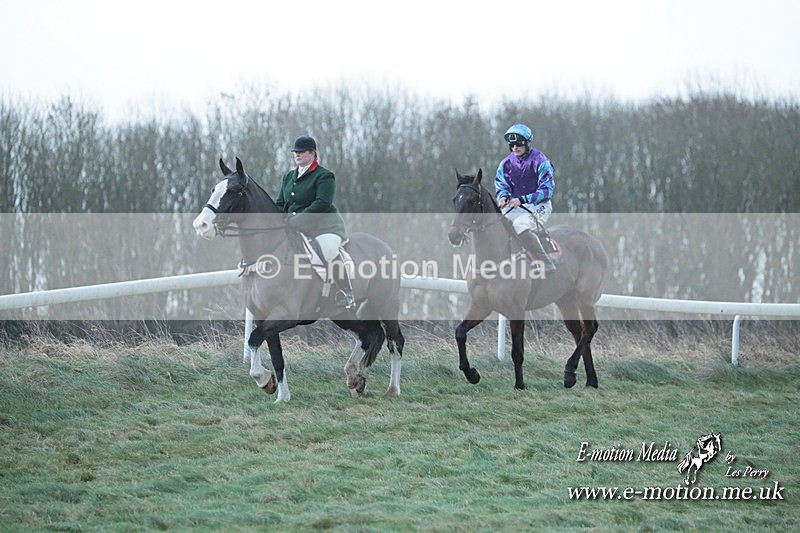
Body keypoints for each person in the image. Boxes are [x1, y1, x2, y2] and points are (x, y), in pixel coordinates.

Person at [275, 134, 355, 309]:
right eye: (295, 152)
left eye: (302, 152)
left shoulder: (325, 176)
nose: (297, 155)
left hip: (324, 225)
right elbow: (281, 203)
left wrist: (296, 221)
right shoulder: (289, 176)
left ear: (312, 153)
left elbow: (322, 204)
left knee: (328, 250)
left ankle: (346, 292)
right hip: (294, 226)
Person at [495, 123, 557, 273]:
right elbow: (501, 184)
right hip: (515, 206)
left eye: (518, 144)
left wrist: (523, 200)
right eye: (512, 145)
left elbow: (547, 190)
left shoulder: (541, 161)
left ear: (527, 143)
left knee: (520, 225)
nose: (515, 148)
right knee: (497, 223)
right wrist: (503, 197)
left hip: (539, 205)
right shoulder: (505, 164)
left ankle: (546, 262)